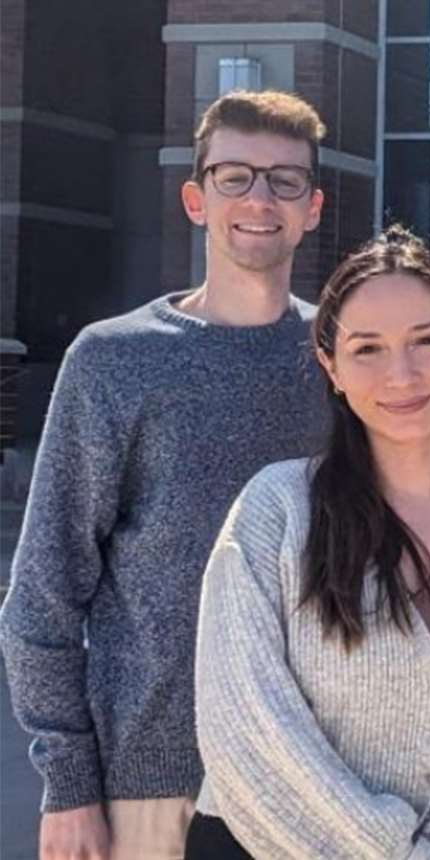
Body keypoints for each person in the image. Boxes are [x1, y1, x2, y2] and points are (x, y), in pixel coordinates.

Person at [0, 90, 332, 860]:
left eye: (285, 180)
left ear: (312, 207)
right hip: (153, 785)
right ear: (195, 199)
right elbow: (44, 592)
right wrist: (68, 784)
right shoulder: (115, 359)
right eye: (234, 176)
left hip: (317, 776)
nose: (260, 199)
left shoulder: (345, 358)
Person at [183, 227, 430, 859]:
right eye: (367, 348)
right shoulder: (277, 511)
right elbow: (244, 722)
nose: (402, 374)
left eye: (427, 340)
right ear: (330, 366)